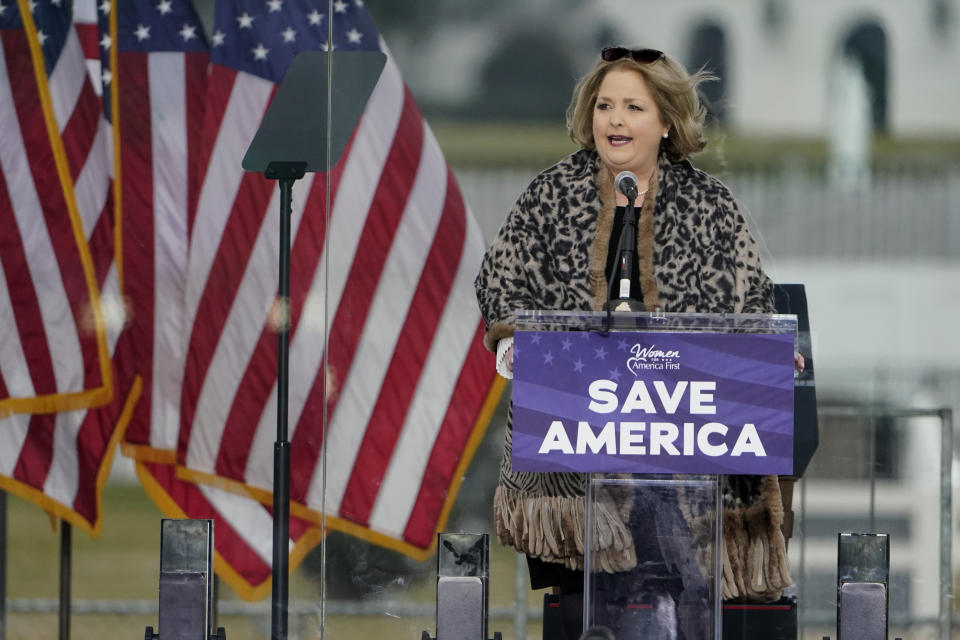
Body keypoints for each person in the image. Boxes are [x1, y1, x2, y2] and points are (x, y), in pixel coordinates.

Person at [474, 46, 793, 639]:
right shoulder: (551, 194)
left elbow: (754, 303)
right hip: (578, 441)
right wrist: (515, 337)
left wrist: (771, 350)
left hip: (682, 443)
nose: (614, 120)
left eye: (632, 107)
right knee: (583, 602)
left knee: (688, 585)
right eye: (604, 106)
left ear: (666, 120)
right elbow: (499, 281)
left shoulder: (711, 205)